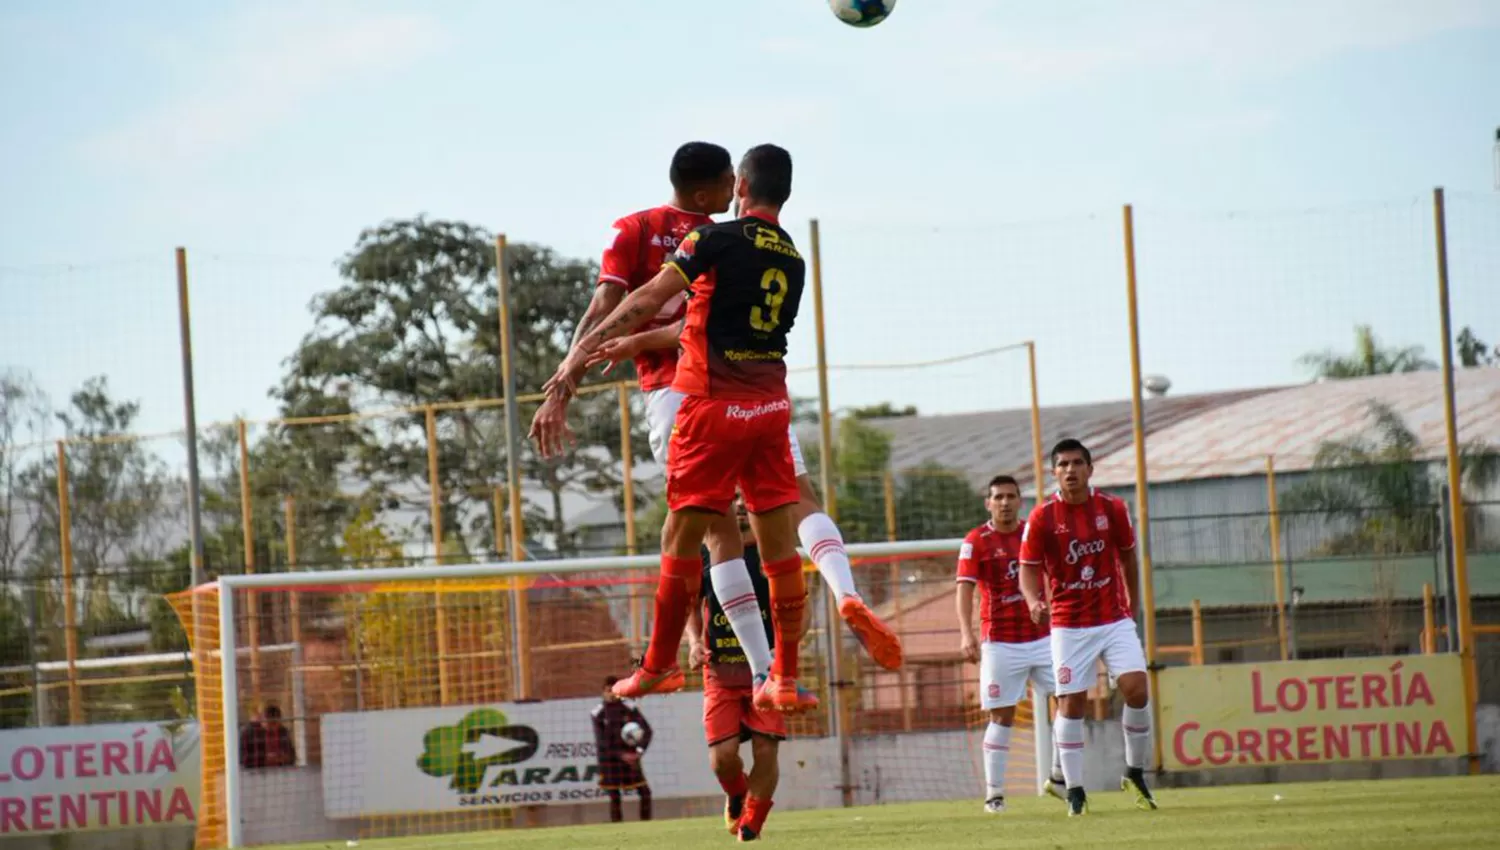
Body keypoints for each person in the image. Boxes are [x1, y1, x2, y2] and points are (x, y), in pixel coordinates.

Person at [529, 142, 901, 686]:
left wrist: (573, 369)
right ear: (713, 189)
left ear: (742, 187)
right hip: (765, 402)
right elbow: (698, 317)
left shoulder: (691, 236)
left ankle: (723, 668)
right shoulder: (788, 254)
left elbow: (624, 305)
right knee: (792, 513)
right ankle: (821, 626)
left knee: (711, 537)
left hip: (688, 395)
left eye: (737, 179)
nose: (732, 186)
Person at [1019, 439, 1158, 816]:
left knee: (1137, 688)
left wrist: (1134, 605)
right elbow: (1028, 569)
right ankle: (1076, 790)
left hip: (1113, 618)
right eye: (1062, 464)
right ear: (1054, 473)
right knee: (1072, 703)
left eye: (1077, 463)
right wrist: (1033, 601)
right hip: (1068, 625)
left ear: (1090, 469)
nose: (1070, 470)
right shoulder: (1042, 517)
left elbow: (1129, 556)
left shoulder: (1113, 508)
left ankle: (1134, 771)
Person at [956, 475, 1066, 813]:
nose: (1004, 502)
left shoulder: (1033, 536)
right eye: (998, 497)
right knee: (1002, 716)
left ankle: (1060, 776)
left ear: (1020, 501)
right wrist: (966, 632)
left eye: (1011, 497)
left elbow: (1058, 573)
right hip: (1000, 642)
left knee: (1070, 699)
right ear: (988, 503)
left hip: (1043, 637)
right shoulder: (975, 540)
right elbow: (965, 589)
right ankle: (994, 795)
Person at [686, 494, 786, 842]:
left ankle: (752, 825)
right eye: (734, 497)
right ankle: (736, 793)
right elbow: (689, 600)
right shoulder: (705, 552)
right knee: (722, 759)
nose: (741, 504)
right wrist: (695, 642)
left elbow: (795, 602)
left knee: (765, 749)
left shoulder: (773, 550)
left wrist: (788, 651)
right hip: (720, 673)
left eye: (747, 496)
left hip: (769, 671)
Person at [591, 676, 654, 823]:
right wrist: (621, 755)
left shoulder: (629, 708)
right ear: (603, 692)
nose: (612, 694)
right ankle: (617, 829)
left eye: (615, 690)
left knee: (645, 792)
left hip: (631, 758)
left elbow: (647, 731)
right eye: (608, 691)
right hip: (610, 760)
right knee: (614, 796)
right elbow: (602, 742)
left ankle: (647, 824)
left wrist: (638, 752)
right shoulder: (597, 713)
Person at [239, 703, 295, 769]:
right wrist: (265, 759)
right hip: (256, 773)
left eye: (275, 723)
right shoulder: (249, 733)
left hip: (280, 772)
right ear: (262, 719)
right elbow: (243, 760)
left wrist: (283, 758)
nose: (273, 728)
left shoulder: (283, 732)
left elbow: (292, 756)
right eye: (270, 723)